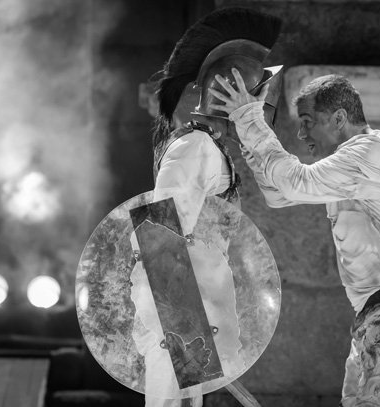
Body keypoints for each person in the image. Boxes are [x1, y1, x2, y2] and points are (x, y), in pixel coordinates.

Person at [209, 71, 380, 407]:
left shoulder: (375, 151)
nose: (301, 134)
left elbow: (294, 182)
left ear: (339, 118)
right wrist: (249, 136)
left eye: (307, 121)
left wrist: (250, 119)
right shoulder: (348, 167)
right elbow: (278, 194)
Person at [129, 7, 282, 407]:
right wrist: (182, 325)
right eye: (254, 96)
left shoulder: (208, 147)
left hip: (196, 315)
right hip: (178, 322)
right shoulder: (195, 146)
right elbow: (157, 232)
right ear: (228, 95)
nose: (261, 106)